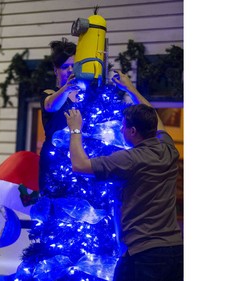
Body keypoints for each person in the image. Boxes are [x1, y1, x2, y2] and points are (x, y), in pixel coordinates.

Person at [64, 70, 183, 281]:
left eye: (124, 126)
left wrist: (75, 130)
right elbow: (154, 117)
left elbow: (80, 165)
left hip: (143, 254)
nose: (120, 129)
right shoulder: (168, 148)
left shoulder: (130, 159)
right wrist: (130, 88)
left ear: (133, 131)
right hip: (174, 249)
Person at [39, 38, 80, 192]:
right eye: (64, 67)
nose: (70, 71)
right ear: (56, 70)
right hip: (54, 161)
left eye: (73, 66)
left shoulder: (85, 95)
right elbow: (50, 105)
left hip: (78, 158)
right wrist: (67, 89)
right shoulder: (49, 93)